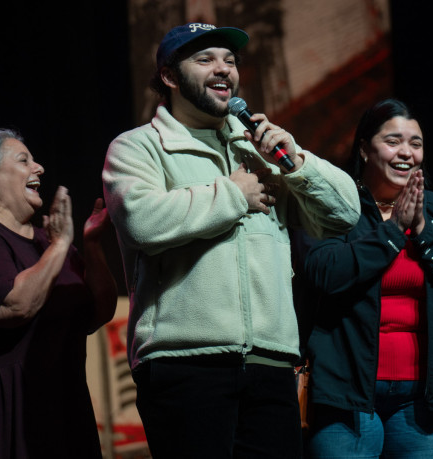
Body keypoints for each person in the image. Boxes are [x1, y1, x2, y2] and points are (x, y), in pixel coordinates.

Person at [101, 23, 360, 458]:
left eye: (230, 60)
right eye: (205, 60)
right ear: (169, 76)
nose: (223, 69)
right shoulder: (139, 147)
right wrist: (234, 195)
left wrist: (298, 162)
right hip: (185, 365)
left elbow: (345, 215)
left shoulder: (257, 150)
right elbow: (141, 222)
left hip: (271, 363)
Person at [302, 99, 433, 457]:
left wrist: (422, 229)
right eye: (393, 141)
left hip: (424, 402)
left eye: (415, 144)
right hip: (347, 399)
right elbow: (324, 273)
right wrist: (393, 231)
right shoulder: (336, 205)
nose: (407, 153)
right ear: (366, 150)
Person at [0, 129, 117, 458]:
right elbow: (15, 306)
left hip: (58, 405)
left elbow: (99, 312)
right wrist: (60, 245)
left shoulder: (47, 240)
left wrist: (92, 244)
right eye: (23, 160)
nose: (39, 167)